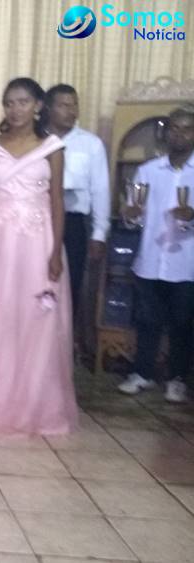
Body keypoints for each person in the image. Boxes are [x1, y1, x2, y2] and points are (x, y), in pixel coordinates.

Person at [0, 77, 77, 435]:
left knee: (35, 316)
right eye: (10, 103)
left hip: (37, 239)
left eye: (23, 102)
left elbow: (57, 200)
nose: (16, 109)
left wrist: (55, 249)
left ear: (38, 106)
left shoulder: (52, 147)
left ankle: (35, 402)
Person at [117, 104, 194, 403]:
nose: (179, 134)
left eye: (187, 129)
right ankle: (142, 373)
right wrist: (131, 215)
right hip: (150, 259)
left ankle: (177, 379)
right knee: (146, 320)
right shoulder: (148, 170)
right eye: (174, 128)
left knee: (182, 324)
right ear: (166, 133)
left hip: (185, 263)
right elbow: (133, 218)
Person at [45, 83, 110, 328]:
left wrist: (99, 234)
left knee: (68, 286)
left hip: (72, 224)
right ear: (48, 108)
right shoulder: (35, 139)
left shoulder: (90, 144)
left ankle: (64, 342)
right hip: (38, 220)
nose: (71, 111)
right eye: (64, 105)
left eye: (74, 105)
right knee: (34, 283)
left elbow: (101, 189)